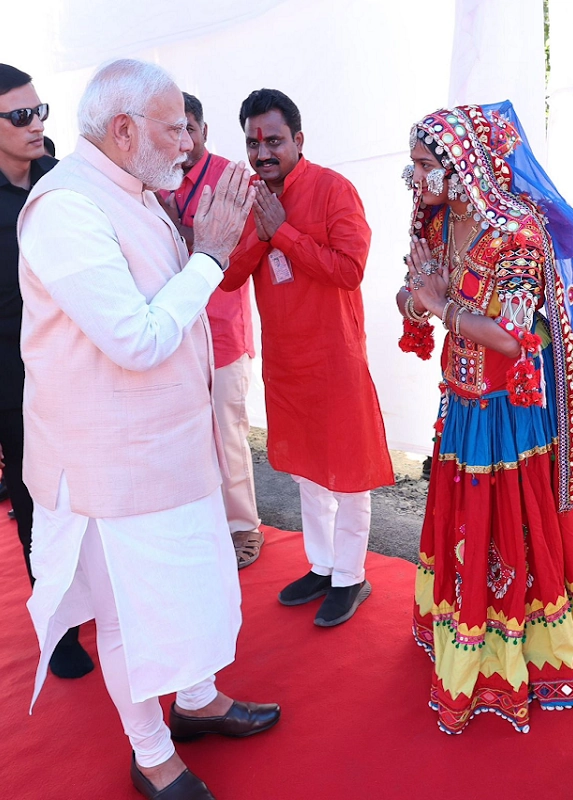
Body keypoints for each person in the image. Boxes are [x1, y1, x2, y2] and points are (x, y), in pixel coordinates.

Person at [19, 58, 280, 800]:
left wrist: (205, 247)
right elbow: (135, 339)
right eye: (175, 129)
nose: (188, 144)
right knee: (134, 616)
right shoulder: (67, 207)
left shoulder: (131, 189)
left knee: (191, 589)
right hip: (111, 469)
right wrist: (209, 254)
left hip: (170, 448)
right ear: (125, 130)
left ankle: (197, 703)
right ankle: (151, 752)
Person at [397, 101, 573, 734]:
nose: (415, 178)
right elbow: (415, 290)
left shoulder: (515, 233)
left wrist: (440, 308)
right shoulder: (439, 223)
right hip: (460, 403)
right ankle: (467, 630)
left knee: (509, 528)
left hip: (506, 415)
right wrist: (415, 297)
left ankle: (516, 651)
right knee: (463, 520)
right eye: (412, 164)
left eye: (426, 164)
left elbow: (516, 339)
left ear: (464, 167)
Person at [223, 88, 392, 627]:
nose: (262, 153)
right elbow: (228, 276)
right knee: (307, 474)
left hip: (335, 359)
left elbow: (349, 269)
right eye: (253, 143)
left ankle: (350, 576)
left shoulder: (333, 189)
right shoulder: (253, 199)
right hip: (287, 363)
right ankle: (321, 566)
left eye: (273, 140)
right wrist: (260, 229)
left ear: (298, 140)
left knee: (347, 471)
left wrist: (285, 234)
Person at [0, 64, 95, 679]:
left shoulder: (60, 176)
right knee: (39, 499)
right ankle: (57, 624)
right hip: (12, 376)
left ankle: (99, 597)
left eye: (40, 112)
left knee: (88, 486)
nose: (36, 125)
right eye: (19, 116)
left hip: (75, 362)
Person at [159, 92, 263, 569]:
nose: (181, 141)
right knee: (184, 433)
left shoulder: (234, 178)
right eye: (171, 131)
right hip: (173, 331)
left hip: (222, 328)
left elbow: (239, 250)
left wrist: (188, 238)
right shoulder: (155, 179)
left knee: (227, 432)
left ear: (203, 129)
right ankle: (202, 523)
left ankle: (244, 527)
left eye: (188, 130)